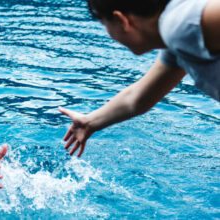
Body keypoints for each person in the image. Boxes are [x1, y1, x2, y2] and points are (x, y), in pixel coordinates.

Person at [59, 0, 220, 157]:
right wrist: (89, 122)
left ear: (121, 20)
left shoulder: (179, 24)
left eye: (104, 25)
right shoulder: (175, 43)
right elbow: (136, 98)